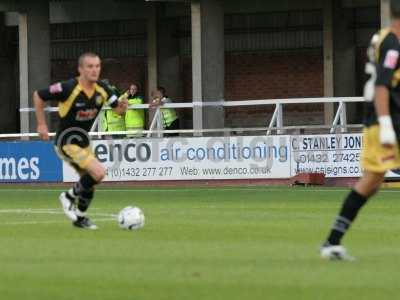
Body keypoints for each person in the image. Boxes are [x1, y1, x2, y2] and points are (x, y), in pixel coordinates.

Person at [320, 0, 400, 260]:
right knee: (370, 182)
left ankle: (332, 242)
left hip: (382, 120)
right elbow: (381, 86)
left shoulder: (382, 38)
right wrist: (387, 125)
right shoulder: (392, 43)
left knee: (371, 182)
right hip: (385, 123)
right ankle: (331, 243)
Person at [33, 52, 128, 230]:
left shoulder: (104, 89)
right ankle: (68, 197)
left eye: (97, 66)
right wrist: (41, 124)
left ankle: (80, 218)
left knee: (90, 180)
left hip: (83, 142)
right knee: (99, 172)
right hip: (66, 141)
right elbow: (38, 95)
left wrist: (123, 107)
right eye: (90, 66)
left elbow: (118, 110)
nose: (94, 70)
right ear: (80, 69)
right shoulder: (67, 87)